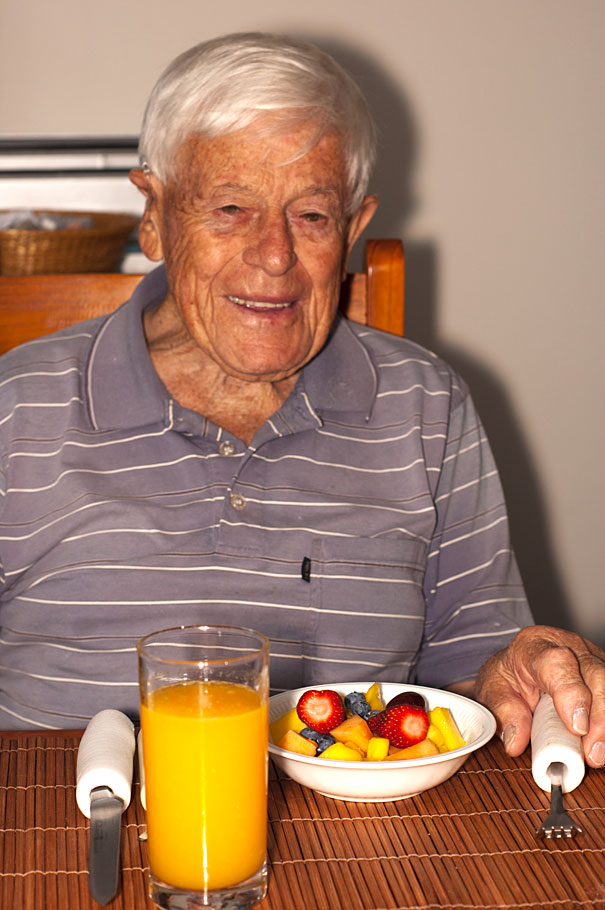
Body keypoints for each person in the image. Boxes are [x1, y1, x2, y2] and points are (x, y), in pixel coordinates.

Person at [0, 33, 602, 768]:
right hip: (55, 843)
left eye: (312, 216)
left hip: (359, 855)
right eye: (229, 208)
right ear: (154, 216)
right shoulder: (17, 407)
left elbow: (473, 668)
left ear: (352, 229)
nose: (275, 254)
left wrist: (517, 670)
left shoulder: (424, 406)